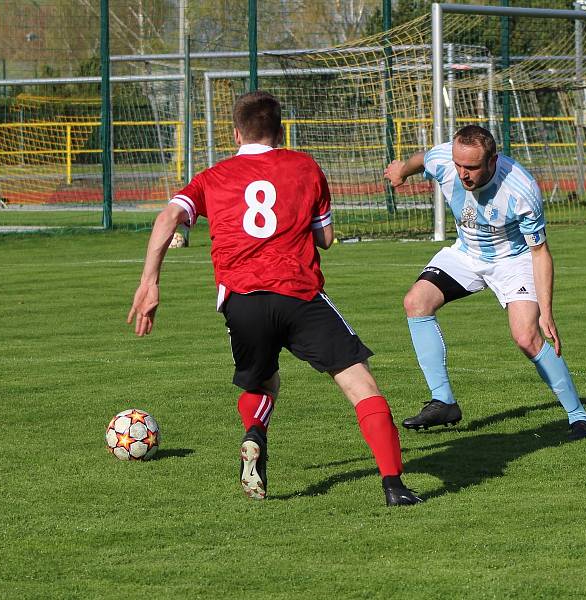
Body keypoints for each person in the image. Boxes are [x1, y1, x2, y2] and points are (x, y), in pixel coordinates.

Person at [127, 91, 421, 507]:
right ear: (280, 131)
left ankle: (255, 435)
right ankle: (395, 487)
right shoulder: (304, 166)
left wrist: (149, 282)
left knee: (263, 382)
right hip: (299, 295)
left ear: (235, 133)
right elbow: (325, 238)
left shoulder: (214, 176)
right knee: (361, 385)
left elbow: (168, 217)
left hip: (243, 301)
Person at [383, 125, 586, 441]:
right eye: (458, 165)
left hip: (513, 260)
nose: (463, 174)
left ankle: (579, 417)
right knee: (416, 302)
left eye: (471, 167)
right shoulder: (446, 159)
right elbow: (423, 159)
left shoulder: (520, 189)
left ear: (493, 161)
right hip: (466, 254)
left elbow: (539, 252)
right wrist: (402, 170)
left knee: (526, 336)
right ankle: (443, 401)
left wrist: (546, 312)